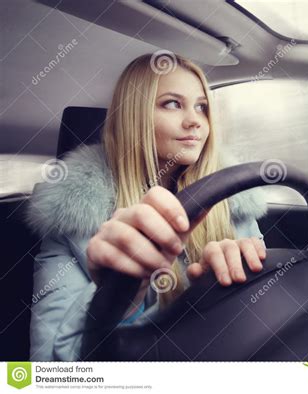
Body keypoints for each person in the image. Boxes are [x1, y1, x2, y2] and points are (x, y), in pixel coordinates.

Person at [24, 53, 268, 361]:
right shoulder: (68, 224)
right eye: (172, 103)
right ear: (134, 116)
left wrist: (221, 286)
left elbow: (261, 322)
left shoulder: (234, 201)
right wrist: (119, 297)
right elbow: (49, 369)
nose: (195, 120)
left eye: (202, 107)